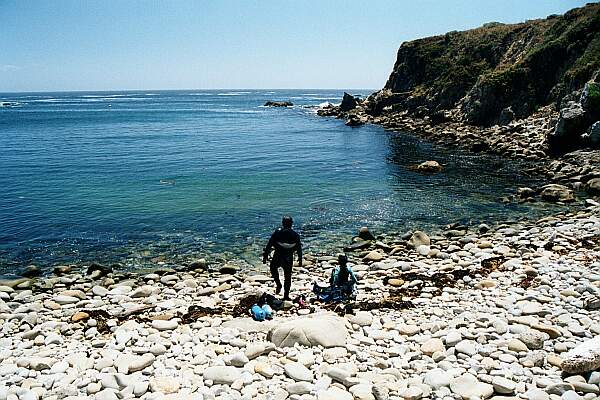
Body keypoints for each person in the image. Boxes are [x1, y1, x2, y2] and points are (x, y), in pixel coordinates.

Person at [262, 215, 302, 300]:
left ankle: (278, 284)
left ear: (282, 223)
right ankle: (286, 295)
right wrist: (300, 258)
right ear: (292, 224)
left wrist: (265, 256)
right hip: (288, 258)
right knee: (287, 277)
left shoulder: (278, 233)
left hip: (278, 256)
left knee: (273, 269)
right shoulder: (295, 235)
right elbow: (299, 248)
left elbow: (269, 245)